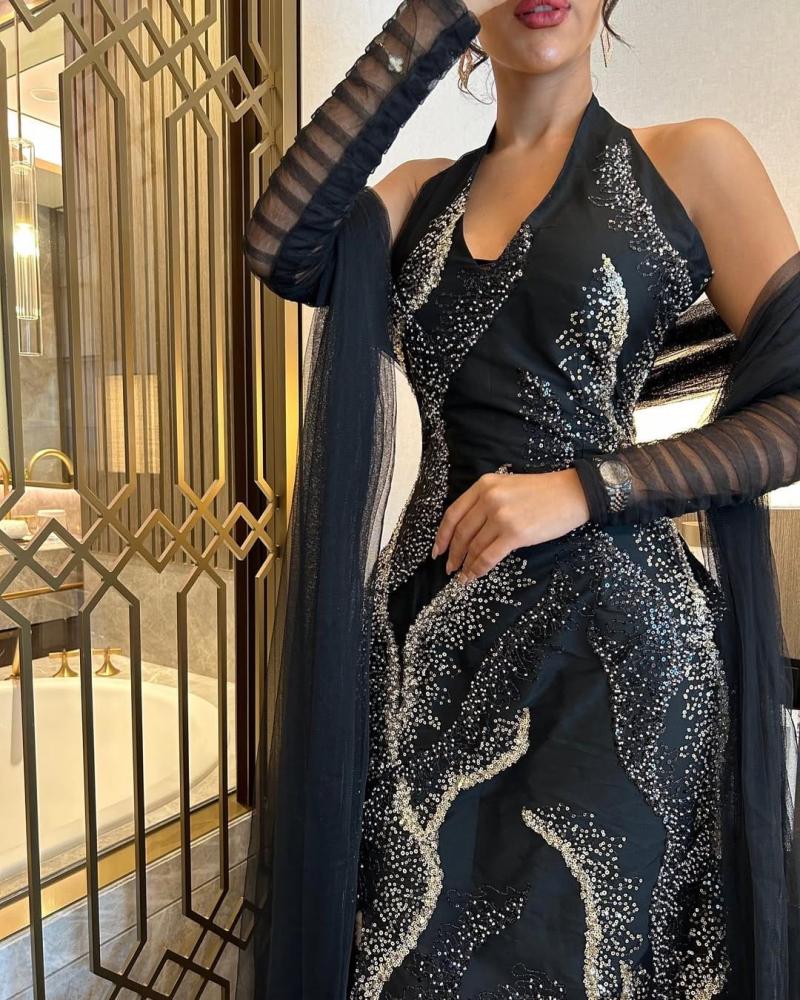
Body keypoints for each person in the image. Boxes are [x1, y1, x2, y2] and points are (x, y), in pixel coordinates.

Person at [238, 0, 800, 997]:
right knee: (415, 952)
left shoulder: (690, 159)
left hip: (619, 655)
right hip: (425, 643)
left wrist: (587, 487)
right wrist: (429, 22)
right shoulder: (418, 193)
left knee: (596, 955)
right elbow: (280, 242)